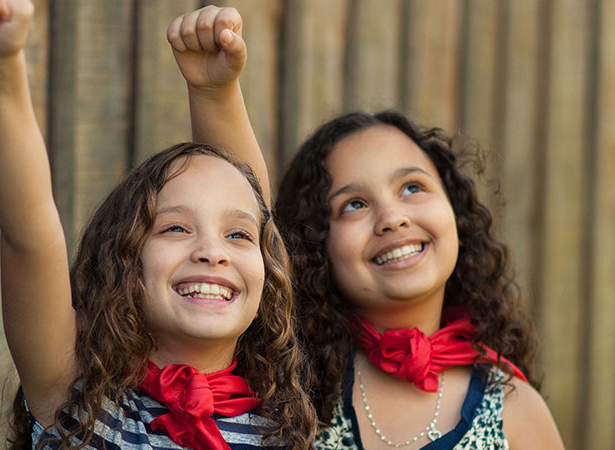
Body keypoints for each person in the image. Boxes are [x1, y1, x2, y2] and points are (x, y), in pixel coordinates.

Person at [167, 5, 564, 449]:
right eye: (353, 204)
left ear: (457, 213)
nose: (392, 217)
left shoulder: (515, 410)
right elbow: (243, 210)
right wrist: (214, 92)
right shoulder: (290, 379)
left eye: (412, 187)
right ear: (314, 247)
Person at [0, 0, 317, 449]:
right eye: (176, 229)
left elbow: (255, 208)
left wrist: (215, 92)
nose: (212, 251)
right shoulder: (79, 402)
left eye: (237, 236)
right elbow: (30, 237)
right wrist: (1, 71)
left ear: (268, 273)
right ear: (124, 261)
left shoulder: (279, 429)